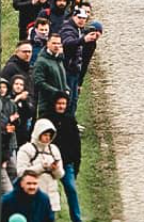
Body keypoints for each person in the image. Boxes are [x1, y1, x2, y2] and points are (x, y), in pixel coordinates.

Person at [15, 119, 65, 219]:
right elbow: (21, 173)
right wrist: (41, 167)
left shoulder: (54, 149)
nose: (47, 138)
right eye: (45, 135)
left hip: (51, 199)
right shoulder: (26, 149)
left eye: (49, 135)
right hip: (32, 197)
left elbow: (60, 175)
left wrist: (55, 169)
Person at [48, 92, 84, 222]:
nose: (61, 106)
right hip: (48, 163)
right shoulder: (46, 119)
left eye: (63, 104)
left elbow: (76, 144)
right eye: (59, 103)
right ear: (54, 104)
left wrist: (76, 164)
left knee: (71, 189)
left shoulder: (70, 120)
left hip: (66, 163)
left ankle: (76, 219)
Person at [32, 32, 68, 118]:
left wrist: (66, 89)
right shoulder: (41, 61)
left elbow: (62, 78)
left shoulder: (58, 59)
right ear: (48, 44)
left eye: (58, 43)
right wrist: (56, 92)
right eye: (54, 43)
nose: (56, 46)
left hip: (60, 104)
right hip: (47, 105)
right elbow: (38, 82)